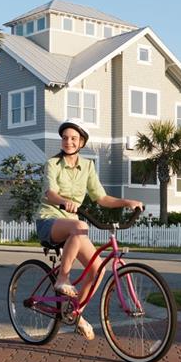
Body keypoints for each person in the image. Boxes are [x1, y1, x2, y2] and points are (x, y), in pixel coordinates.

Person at [36, 118, 144, 340]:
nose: (68, 141)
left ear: (82, 142)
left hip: (75, 227)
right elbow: (50, 193)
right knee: (79, 225)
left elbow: (101, 198)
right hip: (50, 220)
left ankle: (75, 313)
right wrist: (64, 201)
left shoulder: (87, 166)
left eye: (73, 138)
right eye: (65, 138)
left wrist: (127, 202)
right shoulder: (52, 164)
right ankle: (62, 279)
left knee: (98, 269)